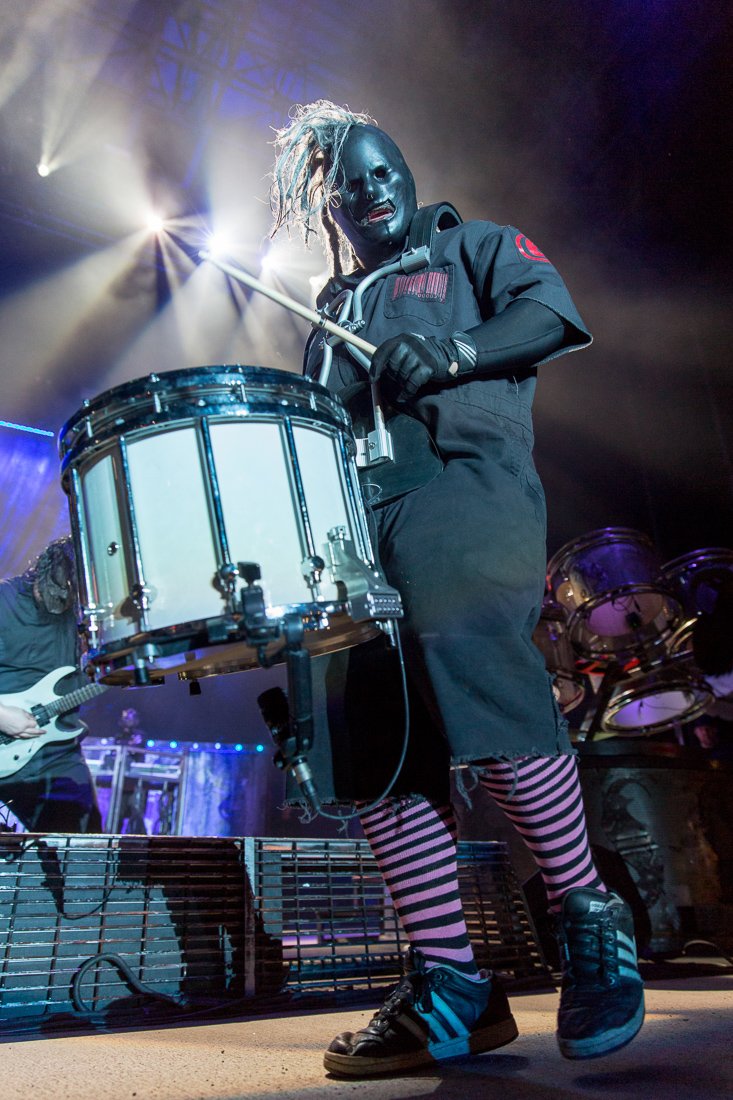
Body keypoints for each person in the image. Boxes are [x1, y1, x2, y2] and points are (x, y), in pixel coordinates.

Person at [269, 101, 644, 1076]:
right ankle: (452, 984)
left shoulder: (470, 247)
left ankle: (587, 913)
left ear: (407, 172)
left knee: (470, 655)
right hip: (358, 529)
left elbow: (550, 314)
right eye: (349, 185)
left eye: (381, 169)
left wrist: (455, 350)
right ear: (330, 211)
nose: (369, 189)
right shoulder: (329, 314)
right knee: (373, 744)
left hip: (459, 491)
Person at [0, 537, 102, 833]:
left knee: (85, 848)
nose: (64, 599)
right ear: (45, 570)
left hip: (56, 754)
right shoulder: (4, 600)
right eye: (60, 588)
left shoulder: (85, 616)